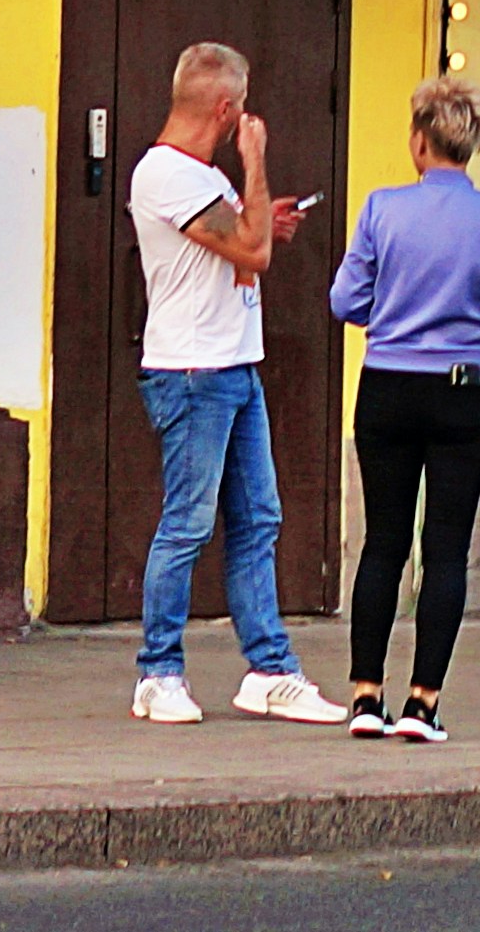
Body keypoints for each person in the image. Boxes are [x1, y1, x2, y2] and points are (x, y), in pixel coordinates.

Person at [125, 41, 343, 727]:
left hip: (232, 364)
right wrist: (253, 162)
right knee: (187, 522)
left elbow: (246, 240)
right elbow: (249, 251)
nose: (246, 118)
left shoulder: (200, 178)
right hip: (194, 369)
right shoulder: (166, 172)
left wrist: (261, 214)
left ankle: (270, 669)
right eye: (241, 109)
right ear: (225, 108)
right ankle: (157, 672)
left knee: (260, 518)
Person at [323, 76, 480, 743]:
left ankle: (365, 696)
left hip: (387, 383)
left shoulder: (381, 209)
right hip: (466, 388)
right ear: (470, 144)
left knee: (383, 541)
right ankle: (422, 704)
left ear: (419, 141)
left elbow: (344, 301)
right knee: (446, 547)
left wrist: (393, 312)